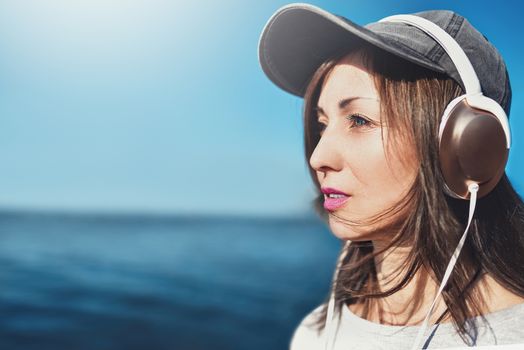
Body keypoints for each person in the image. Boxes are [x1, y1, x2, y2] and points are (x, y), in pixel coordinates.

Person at [258, 3, 524, 349]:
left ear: (468, 146)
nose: (318, 157)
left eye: (359, 120)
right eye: (322, 125)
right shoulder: (316, 333)